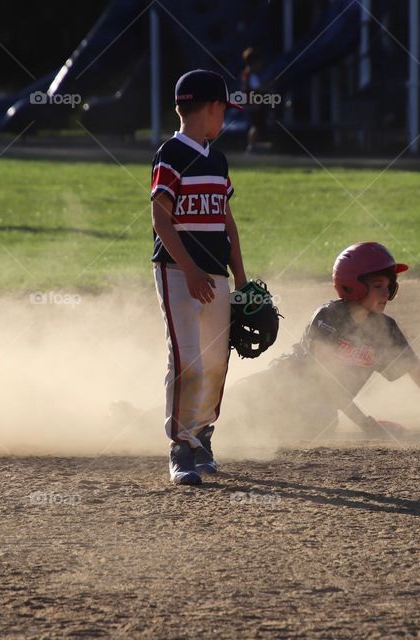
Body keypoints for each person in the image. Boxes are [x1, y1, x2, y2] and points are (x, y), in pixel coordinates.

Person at [239, 242, 420, 439]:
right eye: (377, 285)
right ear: (351, 287)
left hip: (316, 412)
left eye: (390, 286)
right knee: (226, 407)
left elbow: (417, 371)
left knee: (319, 420)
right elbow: (323, 378)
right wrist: (366, 424)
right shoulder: (329, 317)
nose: (385, 293)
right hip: (277, 388)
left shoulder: (385, 329)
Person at [150, 69, 246, 486]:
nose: (224, 118)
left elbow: (227, 220)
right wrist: (188, 270)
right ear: (210, 108)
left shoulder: (218, 160)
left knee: (216, 361)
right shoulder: (170, 154)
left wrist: (241, 277)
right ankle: (180, 445)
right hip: (176, 271)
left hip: (215, 273)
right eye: (224, 109)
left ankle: (203, 434)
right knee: (187, 357)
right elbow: (160, 217)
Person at [240, 47, 266, 154]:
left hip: (251, 103)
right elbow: (255, 89)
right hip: (253, 104)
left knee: (255, 125)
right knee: (255, 125)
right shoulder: (251, 75)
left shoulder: (247, 74)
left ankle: (252, 145)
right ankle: (251, 146)